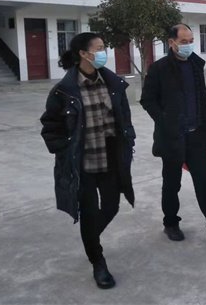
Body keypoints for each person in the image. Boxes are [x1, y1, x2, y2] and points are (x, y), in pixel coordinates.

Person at [40, 32, 136, 289]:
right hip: (82, 164)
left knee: (112, 206)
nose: (104, 52)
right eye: (100, 48)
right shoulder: (64, 91)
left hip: (110, 158)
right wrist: (65, 150)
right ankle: (97, 260)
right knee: (90, 213)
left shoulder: (113, 84)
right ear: (83, 53)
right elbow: (50, 127)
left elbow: (124, 118)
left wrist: (129, 139)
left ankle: (90, 238)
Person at [140, 24, 206, 243]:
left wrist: (205, 133)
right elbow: (147, 100)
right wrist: (165, 121)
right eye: (184, 42)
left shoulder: (195, 65)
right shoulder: (159, 68)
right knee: (171, 184)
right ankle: (171, 223)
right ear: (171, 42)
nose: (188, 45)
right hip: (172, 137)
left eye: (191, 41)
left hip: (196, 135)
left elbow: (200, 101)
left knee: (204, 182)